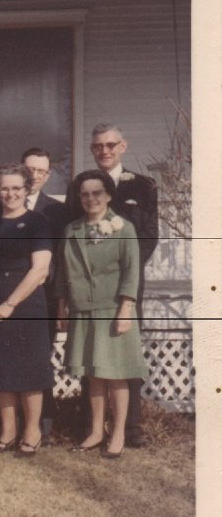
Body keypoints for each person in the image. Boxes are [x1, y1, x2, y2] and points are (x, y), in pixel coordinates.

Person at [66, 124, 158, 447]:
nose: (104, 150)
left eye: (110, 144)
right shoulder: (81, 186)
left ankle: (128, 430)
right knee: (93, 363)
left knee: (122, 363)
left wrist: (123, 285)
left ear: (122, 145)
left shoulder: (143, 186)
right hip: (89, 294)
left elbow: (146, 238)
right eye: (97, 146)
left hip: (125, 289)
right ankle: (93, 428)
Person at [57, 170, 148, 458]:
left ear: (108, 195)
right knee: (93, 375)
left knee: (117, 374)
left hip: (114, 309)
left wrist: (126, 308)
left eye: (97, 193)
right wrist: (62, 304)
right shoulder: (72, 229)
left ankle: (118, 433)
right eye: (84, 194)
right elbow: (62, 270)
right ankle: (96, 431)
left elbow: (133, 270)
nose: (91, 198)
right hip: (83, 308)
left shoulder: (123, 227)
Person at [0, 163, 53, 457]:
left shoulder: (37, 222)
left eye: (17, 188)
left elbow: (40, 269)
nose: (10, 193)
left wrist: (10, 304)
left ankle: (32, 431)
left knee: (29, 370)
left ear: (27, 189)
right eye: (5, 188)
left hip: (25, 305)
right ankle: (8, 430)